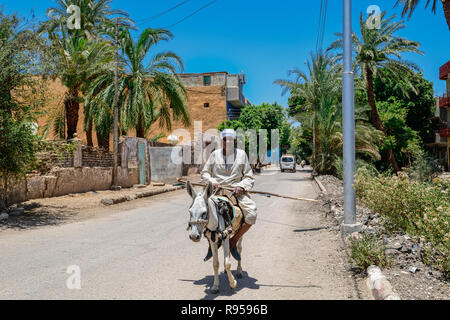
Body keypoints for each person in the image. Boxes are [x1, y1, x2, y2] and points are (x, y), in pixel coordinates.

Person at [201, 129, 257, 261]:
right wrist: (213, 182)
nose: (228, 142)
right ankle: (210, 244)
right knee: (199, 213)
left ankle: (233, 242)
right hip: (216, 192)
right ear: (222, 141)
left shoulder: (242, 155)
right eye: (226, 139)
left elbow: (249, 176)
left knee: (252, 213)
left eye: (231, 139)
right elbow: (205, 173)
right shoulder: (214, 155)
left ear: (235, 140)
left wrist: (241, 186)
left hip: (235, 192)